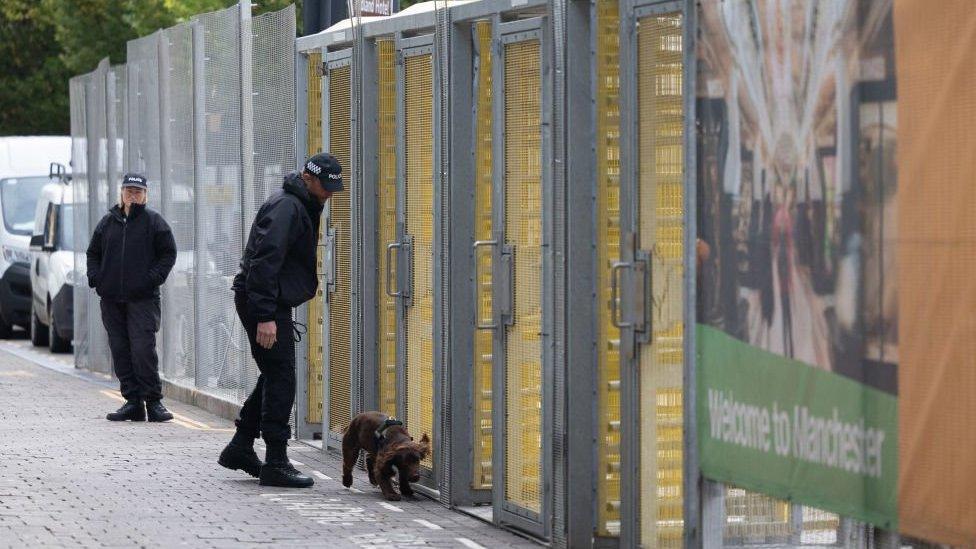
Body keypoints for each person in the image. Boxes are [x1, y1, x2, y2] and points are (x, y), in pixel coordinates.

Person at [218, 153, 344, 488]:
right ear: (307, 177)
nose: (329, 193)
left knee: (275, 372)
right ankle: (276, 460)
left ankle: (241, 445)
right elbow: (264, 261)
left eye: (333, 187)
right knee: (282, 376)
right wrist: (265, 316)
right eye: (325, 186)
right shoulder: (287, 206)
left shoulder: (299, 203)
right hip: (263, 300)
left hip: (267, 299)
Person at [87, 173, 177, 422]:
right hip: (112, 298)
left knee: (142, 349)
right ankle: (132, 402)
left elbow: (168, 254)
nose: (132, 195)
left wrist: (151, 279)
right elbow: (93, 252)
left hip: (143, 299)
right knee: (120, 349)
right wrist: (96, 278)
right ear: (121, 193)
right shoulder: (108, 222)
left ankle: (154, 402)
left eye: (138, 191)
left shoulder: (154, 222)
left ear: (145, 195)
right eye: (129, 191)